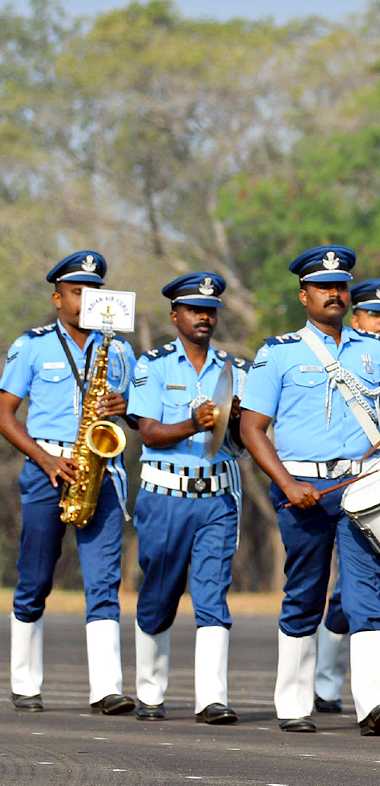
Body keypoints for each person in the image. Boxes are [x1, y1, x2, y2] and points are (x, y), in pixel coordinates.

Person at [240, 246, 380, 734]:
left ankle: (374, 704)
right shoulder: (279, 352)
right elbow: (252, 428)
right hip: (302, 486)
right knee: (306, 592)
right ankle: (293, 703)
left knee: (366, 594)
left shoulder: (377, 351)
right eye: (323, 287)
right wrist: (288, 484)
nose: (334, 294)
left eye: (340, 287)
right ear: (304, 295)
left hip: (362, 485)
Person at [0, 251, 136, 714]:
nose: (87, 301)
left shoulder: (119, 348)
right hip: (46, 467)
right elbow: (5, 414)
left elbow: (138, 416)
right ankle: (24, 683)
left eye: (95, 292)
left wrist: (124, 410)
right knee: (35, 579)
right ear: (58, 298)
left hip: (103, 470)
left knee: (104, 582)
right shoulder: (32, 345)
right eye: (78, 292)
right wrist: (44, 459)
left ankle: (106, 689)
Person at [126, 273, 247, 724]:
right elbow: (151, 434)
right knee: (159, 595)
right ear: (175, 315)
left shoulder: (237, 369)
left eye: (210, 310)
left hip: (217, 497)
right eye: (195, 310)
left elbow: (243, 440)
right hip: (164, 497)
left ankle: (211, 698)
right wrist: (195, 424)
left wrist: (234, 421)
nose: (204, 317)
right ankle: (151, 693)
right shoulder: (152, 365)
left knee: (213, 595)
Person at [313, 276, 380, 714]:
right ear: (356, 316)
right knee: (348, 594)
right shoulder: (348, 358)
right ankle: (327, 679)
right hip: (355, 481)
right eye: (374, 314)